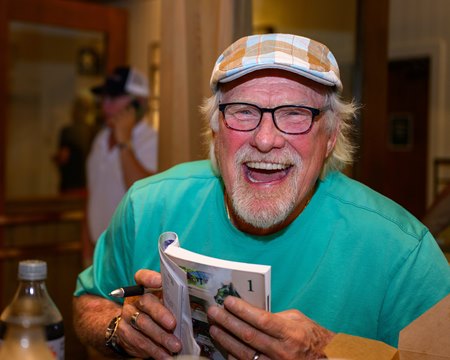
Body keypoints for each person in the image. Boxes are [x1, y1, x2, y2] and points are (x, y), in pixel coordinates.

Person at [73, 34, 450, 360]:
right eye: (243, 111)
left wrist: (328, 351)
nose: (266, 139)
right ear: (216, 131)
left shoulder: (402, 252)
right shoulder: (149, 206)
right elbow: (88, 300)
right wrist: (117, 330)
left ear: (331, 138)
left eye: (295, 114)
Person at [85, 66, 158, 253]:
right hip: (98, 249)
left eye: (113, 98)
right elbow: (93, 194)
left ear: (138, 103)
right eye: (104, 98)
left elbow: (142, 194)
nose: (105, 106)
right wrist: (86, 242)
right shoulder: (100, 138)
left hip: (128, 253)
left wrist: (124, 143)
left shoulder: (152, 141)